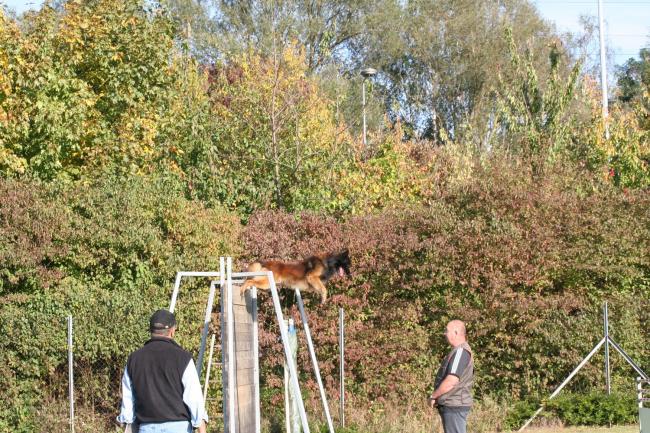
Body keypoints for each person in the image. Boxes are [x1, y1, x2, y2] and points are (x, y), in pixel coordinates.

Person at [117, 309, 208, 433]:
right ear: (172, 331)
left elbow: (128, 399)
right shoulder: (183, 358)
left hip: (146, 427)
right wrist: (201, 426)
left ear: (151, 331)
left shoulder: (134, 359)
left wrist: (126, 422)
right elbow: (193, 397)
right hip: (179, 428)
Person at [428, 320, 473, 433]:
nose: (444, 333)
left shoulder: (460, 352)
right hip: (453, 404)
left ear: (456, 332)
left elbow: (451, 380)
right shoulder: (458, 351)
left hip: (454, 405)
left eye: (447, 331)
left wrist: (434, 396)